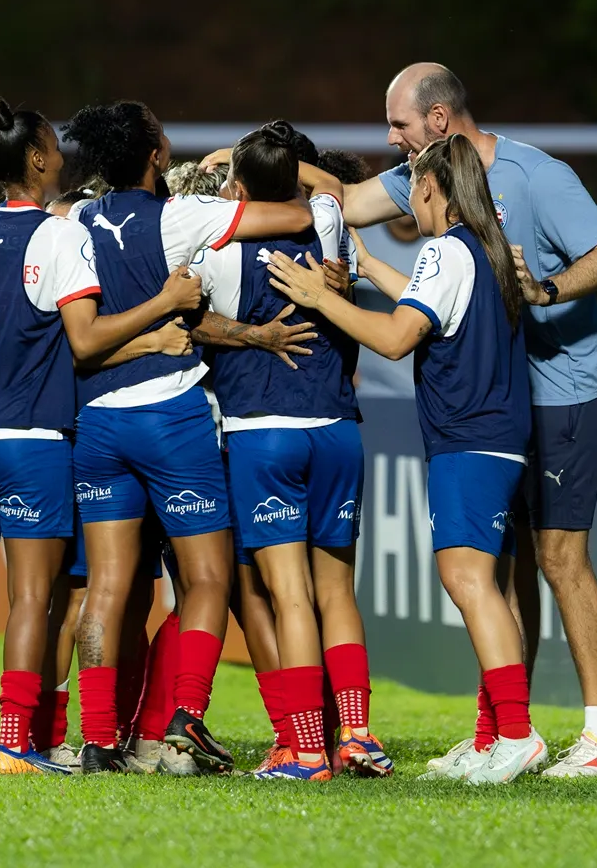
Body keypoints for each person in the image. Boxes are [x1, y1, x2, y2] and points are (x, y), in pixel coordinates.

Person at [0, 99, 197, 774]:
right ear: (37, 160)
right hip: (28, 439)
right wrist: (162, 309)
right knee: (33, 597)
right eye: (54, 145)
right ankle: (15, 745)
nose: (62, 155)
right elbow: (84, 340)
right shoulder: (57, 237)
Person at [336, 63, 597, 777]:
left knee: (558, 558)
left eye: (399, 125)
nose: (390, 140)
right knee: (499, 567)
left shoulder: (536, 177)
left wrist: (544, 288)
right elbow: (342, 201)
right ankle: (502, 725)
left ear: (438, 122)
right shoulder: (428, 180)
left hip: (563, 388)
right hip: (502, 395)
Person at [270, 133, 546, 785]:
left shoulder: (445, 249)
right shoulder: (484, 249)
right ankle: (491, 736)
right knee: (492, 586)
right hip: (501, 437)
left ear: (431, 188)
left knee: (468, 582)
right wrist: (363, 266)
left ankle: (515, 734)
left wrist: (322, 299)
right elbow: (432, 305)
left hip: (469, 440)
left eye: (413, 191)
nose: (408, 207)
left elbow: (397, 338)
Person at [63, 100, 316, 774]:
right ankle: (185, 718)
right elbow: (291, 215)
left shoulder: (77, 220)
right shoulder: (177, 215)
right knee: (206, 580)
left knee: (108, 589)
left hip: (98, 423)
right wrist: (268, 171)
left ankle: (96, 740)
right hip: (171, 417)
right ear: (153, 155)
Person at [196, 122, 392, 781]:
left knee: (290, 595)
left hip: (263, 433)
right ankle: (358, 736)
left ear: (240, 186)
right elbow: (330, 186)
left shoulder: (219, 242)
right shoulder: (328, 226)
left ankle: (307, 748)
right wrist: (280, 167)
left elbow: (190, 314)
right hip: (337, 428)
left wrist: (233, 174)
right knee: (337, 591)